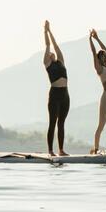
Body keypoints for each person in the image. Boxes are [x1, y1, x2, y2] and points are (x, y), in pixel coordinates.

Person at [43, 20, 70, 156]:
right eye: (49, 53)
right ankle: (50, 150)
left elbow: (55, 45)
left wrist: (51, 31)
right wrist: (45, 31)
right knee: (52, 122)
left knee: (62, 123)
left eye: (52, 53)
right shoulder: (47, 64)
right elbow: (48, 45)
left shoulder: (61, 61)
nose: (51, 53)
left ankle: (61, 150)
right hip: (54, 94)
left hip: (65, 94)